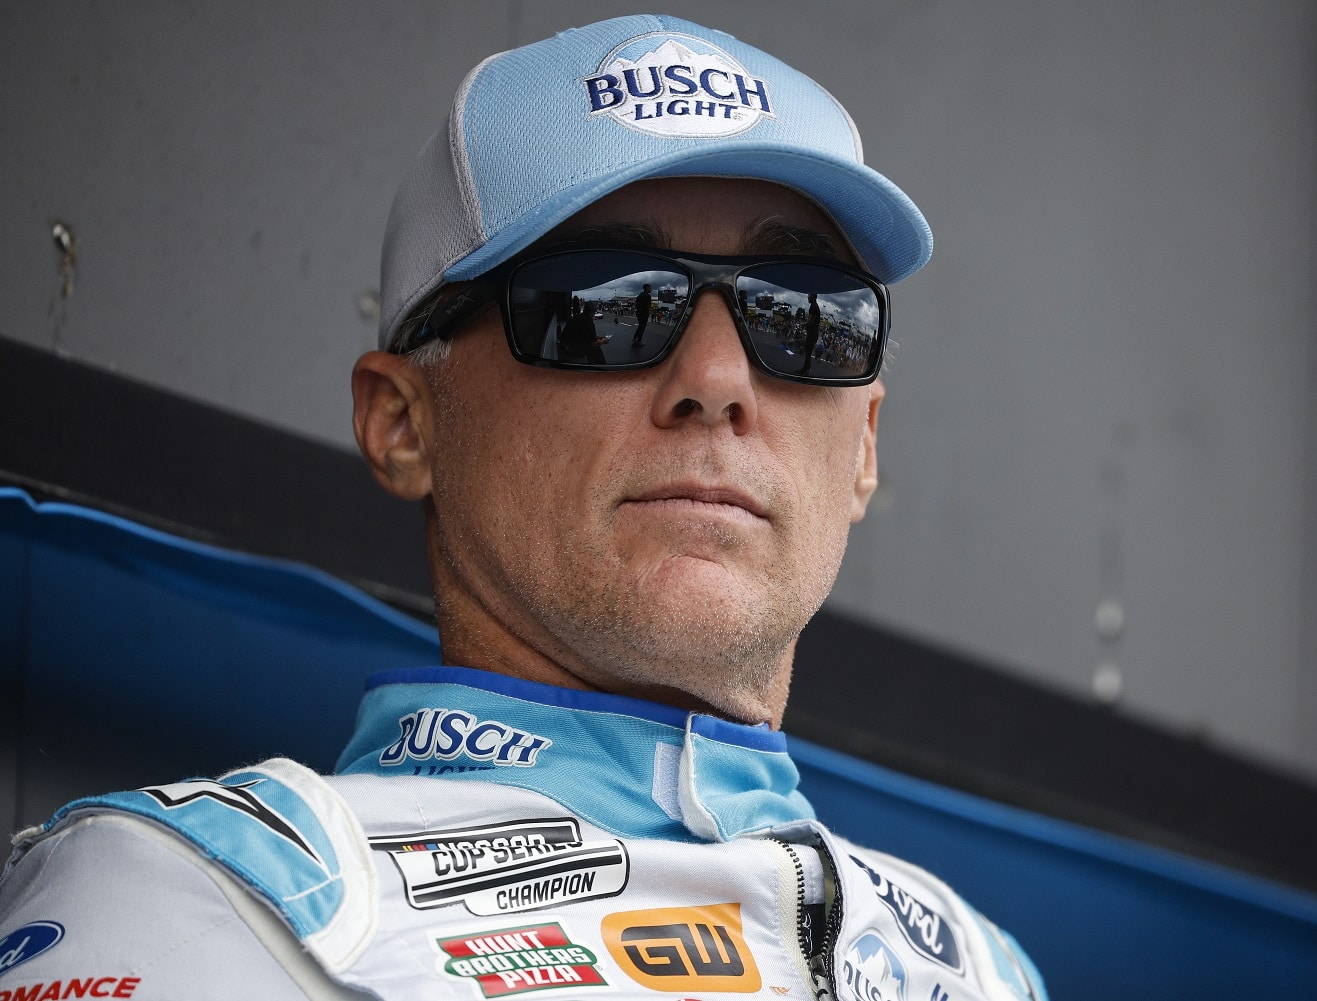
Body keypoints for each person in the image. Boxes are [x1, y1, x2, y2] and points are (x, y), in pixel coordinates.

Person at [0, 15, 1046, 1001]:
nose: (720, 376)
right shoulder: (212, 896)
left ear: (864, 445)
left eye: (802, 319)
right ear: (405, 421)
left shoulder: (984, 971)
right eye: (608, 305)